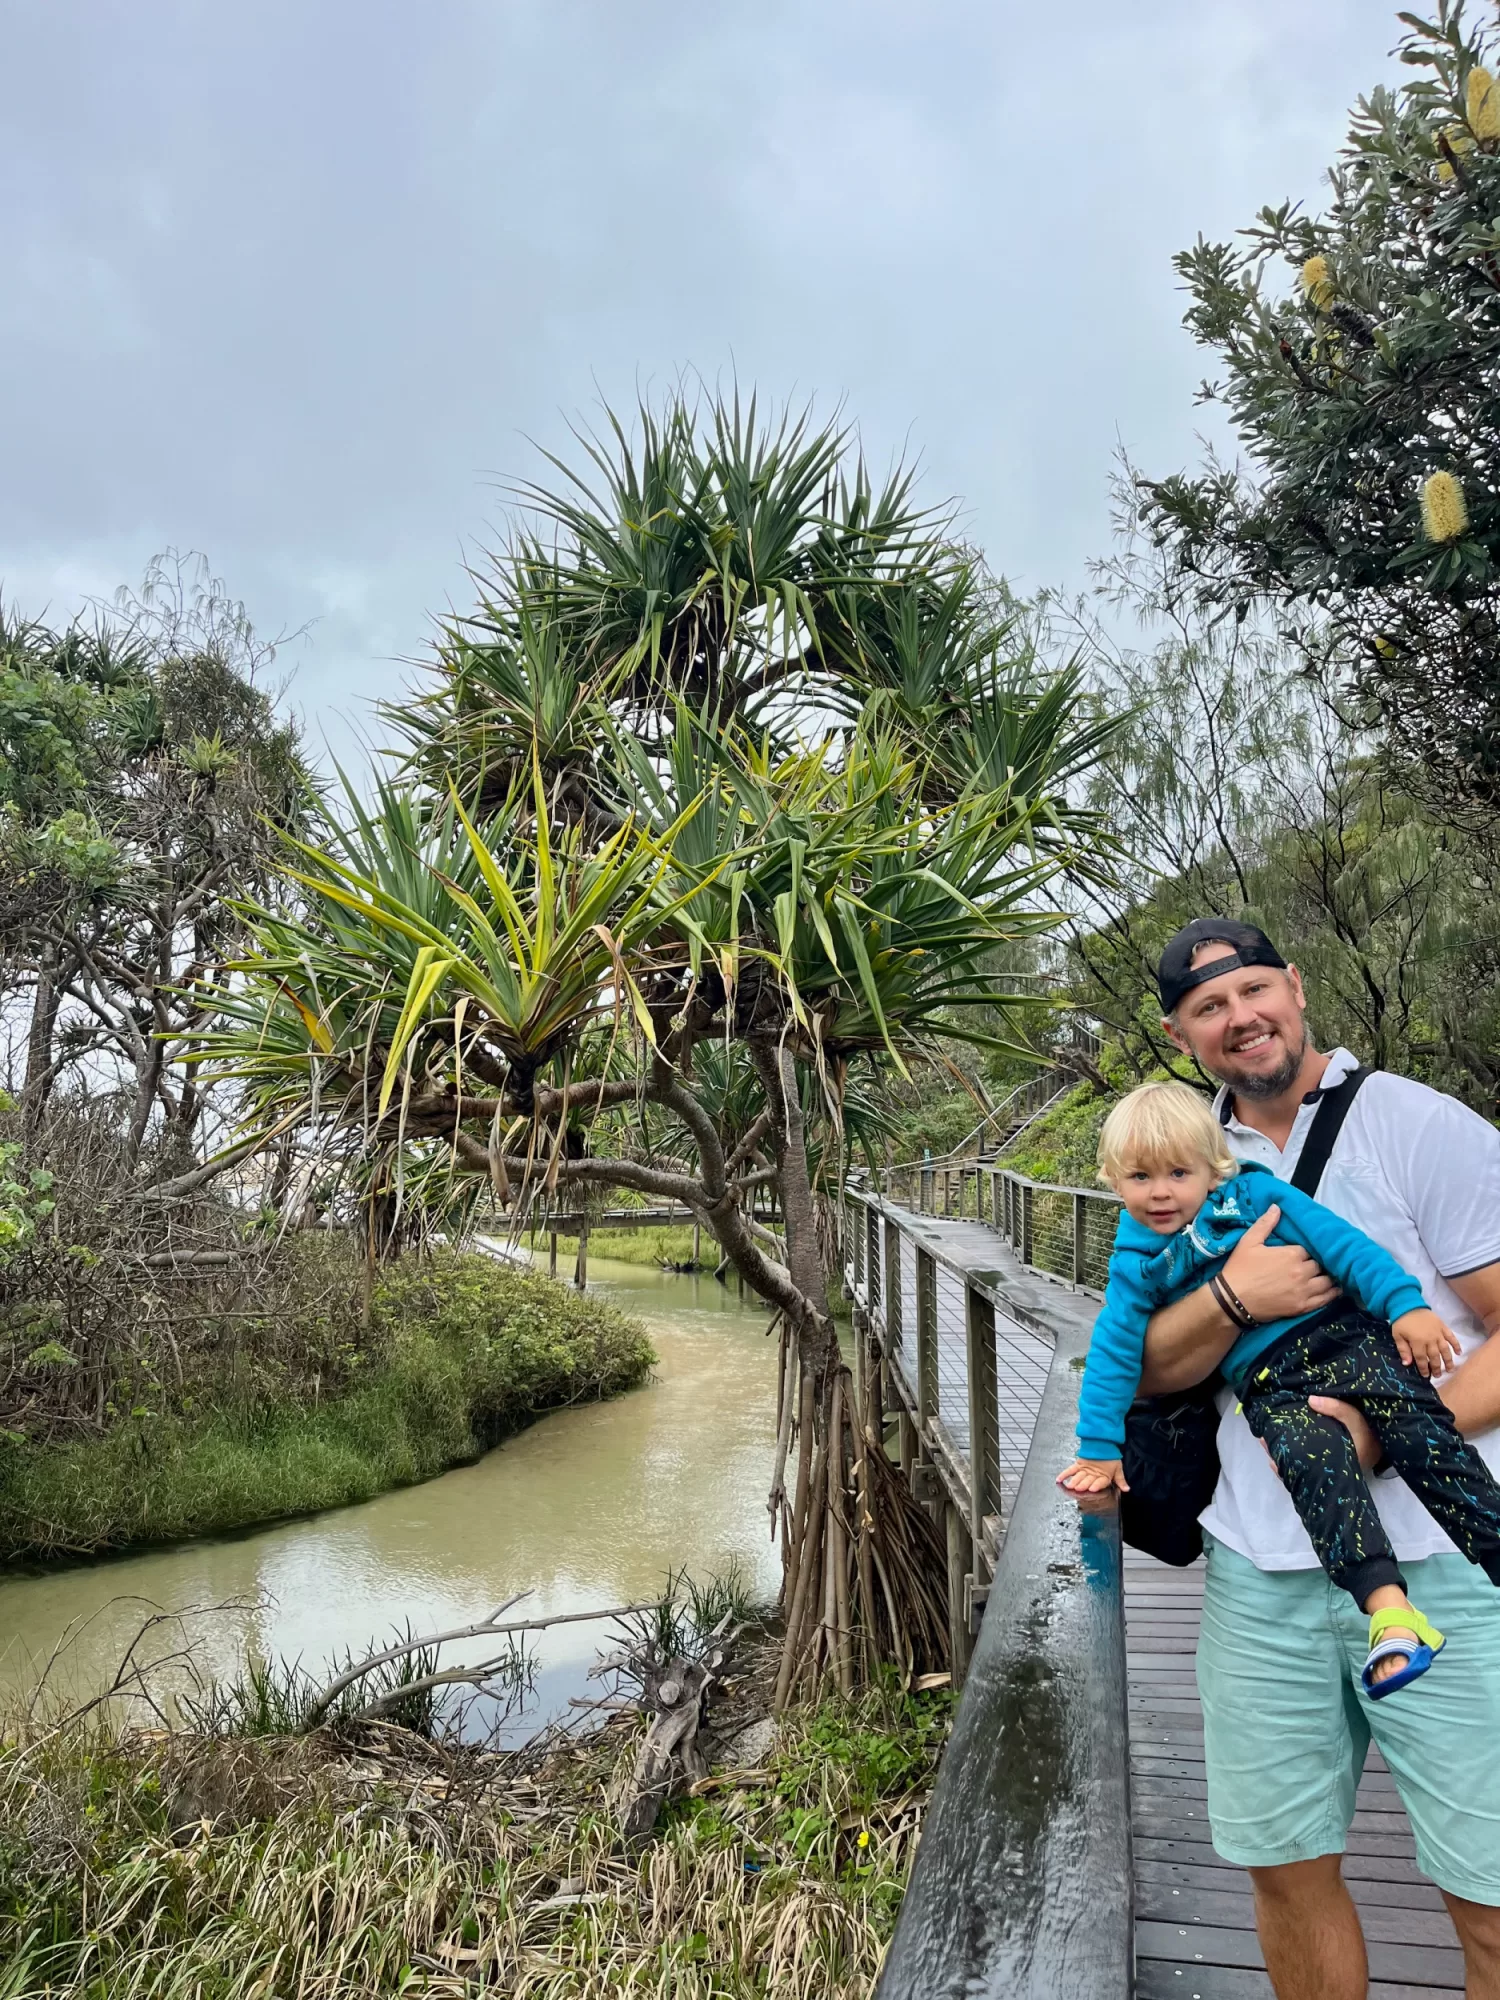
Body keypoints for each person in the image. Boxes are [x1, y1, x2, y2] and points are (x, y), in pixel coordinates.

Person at [1131, 918, 1500, 2000]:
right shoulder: (1181, 1157)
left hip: (1438, 1560)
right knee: (1287, 1874)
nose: (1240, 1015)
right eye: (1210, 1005)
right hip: (1257, 1572)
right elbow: (1148, 1362)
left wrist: (1378, 1431)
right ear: (1180, 1031)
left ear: (1295, 987)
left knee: (1489, 1895)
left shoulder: (1416, 1125)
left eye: (1255, 988)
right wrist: (1240, 1297)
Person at [1060, 1079, 1500, 1694]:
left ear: (1211, 1168)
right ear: (1113, 1178)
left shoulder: (1254, 1194)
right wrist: (1098, 1449)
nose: (1160, 1193)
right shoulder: (1136, 1260)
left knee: (1427, 1438)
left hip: (1345, 1341)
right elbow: (1113, 1353)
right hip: (1271, 1386)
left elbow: (1344, 1247)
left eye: (1177, 1173)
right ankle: (1391, 1612)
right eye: (1140, 1178)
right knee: (1315, 1474)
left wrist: (1406, 1307)